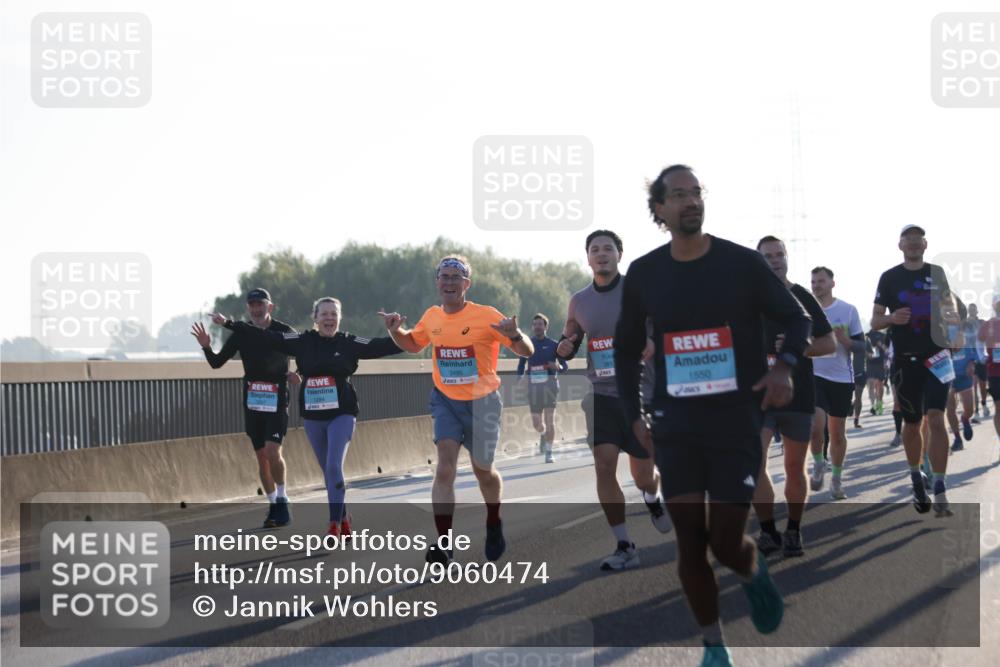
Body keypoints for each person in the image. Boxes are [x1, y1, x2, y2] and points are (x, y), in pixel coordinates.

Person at [616, 165, 810, 665]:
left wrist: (785, 368)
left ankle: (752, 573)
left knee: (725, 542)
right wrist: (633, 412)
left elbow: (796, 317)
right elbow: (625, 348)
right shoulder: (645, 273)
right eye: (678, 195)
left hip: (735, 421)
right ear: (659, 210)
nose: (690, 201)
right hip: (676, 425)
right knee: (689, 541)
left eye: (696, 192)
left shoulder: (742, 264)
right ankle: (714, 645)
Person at [380, 255, 534, 564]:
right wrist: (395, 331)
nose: (449, 282)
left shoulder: (486, 315)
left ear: (467, 284)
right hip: (445, 400)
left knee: (484, 471)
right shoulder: (433, 316)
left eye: (456, 277)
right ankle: (445, 543)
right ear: (437, 282)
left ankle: (493, 521)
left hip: (483, 402)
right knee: (445, 467)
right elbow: (413, 344)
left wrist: (515, 334)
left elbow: (525, 350)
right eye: (444, 277)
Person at [215, 297, 403, 537]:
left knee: (334, 465)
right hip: (314, 416)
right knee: (328, 471)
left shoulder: (348, 342)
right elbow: (265, 336)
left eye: (333, 314)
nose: (329, 318)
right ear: (315, 318)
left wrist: (397, 331)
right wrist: (230, 324)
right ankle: (343, 517)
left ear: (339, 318)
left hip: (342, 414)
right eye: (324, 314)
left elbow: (384, 346)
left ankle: (334, 524)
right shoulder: (302, 341)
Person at [555, 229, 670, 572]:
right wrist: (565, 347)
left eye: (608, 249)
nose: (601, 254)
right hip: (600, 394)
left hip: (639, 393)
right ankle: (624, 544)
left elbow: (663, 326)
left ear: (620, 254)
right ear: (587, 258)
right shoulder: (579, 300)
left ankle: (652, 497)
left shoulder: (638, 292)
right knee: (603, 465)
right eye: (595, 249)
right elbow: (571, 335)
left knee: (642, 476)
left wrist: (652, 343)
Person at [753, 236, 835, 558]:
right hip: (759, 396)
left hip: (797, 395)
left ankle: (794, 530)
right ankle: (768, 531)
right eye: (767, 256)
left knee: (793, 465)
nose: (775, 260)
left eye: (779, 254)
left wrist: (795, 347)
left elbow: (828, 345)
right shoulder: (749, 300)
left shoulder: (801, 296)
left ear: (787, 257)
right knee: (754, 461)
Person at [872, 224, 959, 516]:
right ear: (900, 246)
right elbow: (875, 321)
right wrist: (892, 318)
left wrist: (956, 331)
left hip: (937, 357)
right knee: (912, 423)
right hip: (905, 361)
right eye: (907, 240)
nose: (912, 244)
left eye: (917, 240)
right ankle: (915, 476)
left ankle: (940, 485)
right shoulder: (889, 277)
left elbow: (949, 308)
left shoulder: (937, 273)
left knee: (936, 418)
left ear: (925, 244)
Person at [191, 288, 296, 528]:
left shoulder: (284, 331)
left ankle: (282, 498)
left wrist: (296, 373)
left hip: (277, 398)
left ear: (270, 307)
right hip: (253, 401)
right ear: (248, 308)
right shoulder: (241, 333)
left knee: (272, 451)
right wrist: (206, 346)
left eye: (260, 304)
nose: (256, 309)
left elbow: (304, 354)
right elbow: (217, 363)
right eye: (252, 305)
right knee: (261, 458)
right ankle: (272, 506)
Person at [809, 267, 865, 500]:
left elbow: (863, 347)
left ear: (833, 284)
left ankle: (837, 479)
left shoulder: (848, 310)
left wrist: (845, 341)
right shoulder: (804, 310)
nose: (816, 285)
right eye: (813, 281)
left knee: (838, 434)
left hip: (841, 379)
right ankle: (819, 463)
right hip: (814, 376)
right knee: (815, 424)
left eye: (821, 281)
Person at [516, 313, 568, 463]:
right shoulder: (527, 345)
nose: (537, 327)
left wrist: (557, 366)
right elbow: (520, 366)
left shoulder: (553, 345)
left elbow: (565, 366)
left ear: (545, 327)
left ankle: (549, 452)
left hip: (550, 387)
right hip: (534, 389)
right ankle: (543, 435)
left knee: (549, 419)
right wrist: (520, 379)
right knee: (536, 422)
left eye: (540, 324)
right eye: (535, 324)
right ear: (533, 327)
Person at [946, 299, 976, 452]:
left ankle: (965, 419)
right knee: (950, 408)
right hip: (946, 374)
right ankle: (957, 438)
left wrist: (972, 362)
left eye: (953, 311)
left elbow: (974, 347)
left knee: (969, 409)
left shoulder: (966, 328)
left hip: (964, 373)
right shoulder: (939, 330)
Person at [976, 297, 1000, 454]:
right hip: (994, 371)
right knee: (999, 408)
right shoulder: (988, 324)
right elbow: (978, 341)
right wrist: (982, 356)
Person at [966, 303, 990, 421]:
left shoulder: (982, 322)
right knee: (974, 385)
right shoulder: (965, 324)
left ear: (977, 311)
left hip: (981, 357)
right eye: (970, 310)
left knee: (982, 384)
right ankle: (976, 411)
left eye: (973, 310)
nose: (972, 311)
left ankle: (984, 404)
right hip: (970, 357)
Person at [865, 330, 888, 416]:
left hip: (880, 364)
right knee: (871, 385)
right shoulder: (867, 336)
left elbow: (887, 350)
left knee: (880, 385)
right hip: (870, 364)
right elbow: (864, 350)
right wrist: (867, 353)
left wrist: (880, 345)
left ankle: (880, 405)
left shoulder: (883, 336)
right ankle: (873, 406)